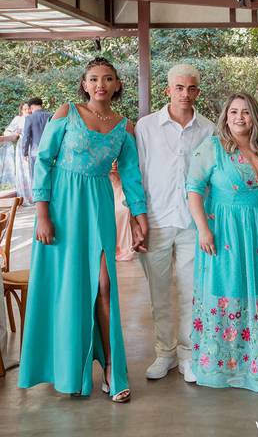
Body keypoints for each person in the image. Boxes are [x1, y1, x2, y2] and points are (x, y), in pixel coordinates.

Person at [18, 57, 148, 403]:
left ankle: (112, 369)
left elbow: (131, 175)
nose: (100, 84)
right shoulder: (67, 113)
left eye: (107, 78)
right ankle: (69, 369)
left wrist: (140, 217)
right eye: (93, 78)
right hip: (61, 208)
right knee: (68, 288)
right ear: (84, 84)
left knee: (104, 285)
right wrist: (42, 214)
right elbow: (44, 161)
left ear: (117, 84)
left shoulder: (124, 126)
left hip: (99, 205)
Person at [186, 93, 258, 392]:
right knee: (228, 287)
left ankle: (255, 362)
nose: (240, 117)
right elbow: (193, 189)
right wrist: (203, 229)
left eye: (246, 112)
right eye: (234, 112)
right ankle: (223, 365)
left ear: (254, 118)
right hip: (224, 231)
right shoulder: (212, 147)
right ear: (225, 117)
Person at [134, 63, 215, 383]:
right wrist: (137, 218)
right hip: (154, 219)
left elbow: (211, 176)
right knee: (159, 292)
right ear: (167, 90)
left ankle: (188, 354)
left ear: (198, 91)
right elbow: (136, 173)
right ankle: (164, 352)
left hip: (193, 222)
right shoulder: (146, 126)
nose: (185, 94)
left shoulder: (208, 129)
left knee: (191, 291)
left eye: (191, 88)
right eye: (179, 88)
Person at [2, 103, 33, 202]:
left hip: (33, 146)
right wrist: (15, 134)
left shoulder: (34, 118)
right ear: (21, 110)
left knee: (31, 170)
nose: (27, 111)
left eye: (28, 108)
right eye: (24, 109)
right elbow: (8, 131)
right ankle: (25, 197)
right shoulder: (18, 119)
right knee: (24, 170)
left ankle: (34, 195)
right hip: (22, 146)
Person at [22, 97, 52, 184]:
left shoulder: (29, 118)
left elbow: (26, 137)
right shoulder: (51, 116)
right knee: (50, 177)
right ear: (41, 105)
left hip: (35, 152)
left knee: (36, 178)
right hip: (50, 151)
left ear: (31, 107)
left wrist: (24, 153)